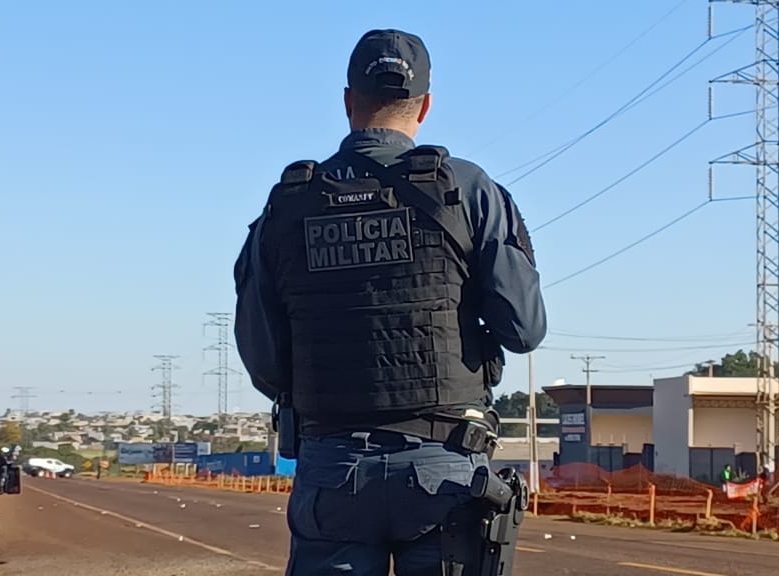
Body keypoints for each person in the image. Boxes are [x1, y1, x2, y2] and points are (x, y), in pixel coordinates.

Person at [234, 28, 546, 576]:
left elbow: (262, 357)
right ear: (425, 106)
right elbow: (522, 329)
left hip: (332, 467)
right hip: (447, 465)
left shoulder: (288, 202)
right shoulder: (468, 189)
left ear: (348, 101)